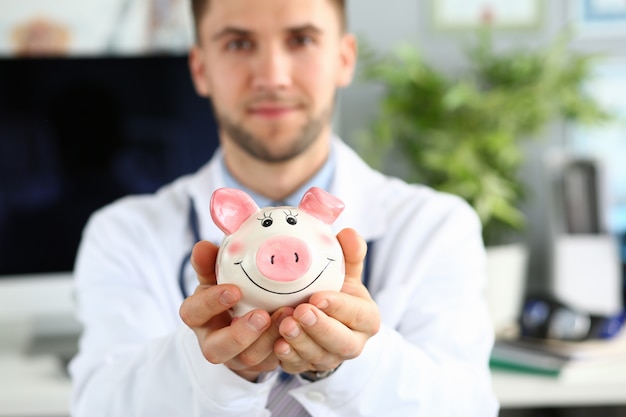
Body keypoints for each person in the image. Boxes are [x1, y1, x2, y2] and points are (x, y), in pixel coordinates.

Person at [68, 0, 499, 415]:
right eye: (238, 44)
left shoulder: (436, 226)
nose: (272, 76)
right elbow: (100, 406)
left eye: (301, 40)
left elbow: (465, 407)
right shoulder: (123, 233)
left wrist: (351, 362)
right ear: (200, 69)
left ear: (344, 58)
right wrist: (214, 369)